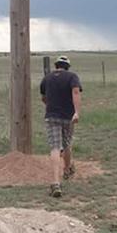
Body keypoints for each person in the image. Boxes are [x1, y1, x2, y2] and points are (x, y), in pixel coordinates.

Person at [39, 55, 82, 197]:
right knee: (67, 144)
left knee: (55, 148)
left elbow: (44, 97)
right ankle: (67, 169)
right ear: (67, 67)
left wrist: (50, 106)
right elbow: (75, 92)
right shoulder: (72, 77)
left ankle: (56, 183)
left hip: (52, 117)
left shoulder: (47, 78)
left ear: (56, 65)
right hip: (68, 117)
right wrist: (76, 112)